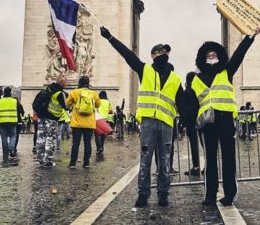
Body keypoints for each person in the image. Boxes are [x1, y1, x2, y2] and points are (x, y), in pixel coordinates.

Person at [100, 27, 180, 208]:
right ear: (153, 55)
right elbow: (128, 55)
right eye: (160, 51)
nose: (164, 54)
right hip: (149, 123)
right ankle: (143, 194)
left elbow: (183, 101)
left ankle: (163, 194)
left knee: (165, 161)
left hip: (167, 123)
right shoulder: (144, 70)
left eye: (166, 51)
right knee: (146, 159)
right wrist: (111, 38)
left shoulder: (175, 78)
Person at [184, 27, 260, 207]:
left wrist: (250, 37)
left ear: (219, 55)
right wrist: (191, 123)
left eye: (214, 54)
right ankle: (210, 195)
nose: (211, 56)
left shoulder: (227, 71)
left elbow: (239, 54)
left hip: (225, 120)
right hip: (207, 123)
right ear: (203, 58)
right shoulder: (195, 79)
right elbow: (193, 104)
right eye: (208, 55)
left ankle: (229, 194)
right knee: (210, 161)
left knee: (228, 159)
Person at [65, 75, 101, 170]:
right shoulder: (94, 94)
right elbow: (98, 105)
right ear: (88, 83)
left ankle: (73, 163)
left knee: (75, 144)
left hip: (77, 123)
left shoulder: (74, 92)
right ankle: (86, 163)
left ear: (79, 83)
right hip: (89, 123)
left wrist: (74, 103)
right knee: (87, 143)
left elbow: (67, 104)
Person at [32, 76, 68, 167]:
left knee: (41, 139)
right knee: (50, 139)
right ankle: (48, 161)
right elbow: (67, 106)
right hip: (52, 119)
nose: (67, 84)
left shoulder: (47, 89)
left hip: (42, 117)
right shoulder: (60, 93)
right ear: (62, 82)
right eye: (66, 82)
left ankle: (40, 159)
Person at [0, 87, 23, 161]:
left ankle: (5, 153)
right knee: (13, 136)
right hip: (13, 121)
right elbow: (19, 110)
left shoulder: (0, 101)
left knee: (4, 138)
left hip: (2, 121)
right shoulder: (14, 101)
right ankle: (11, 147)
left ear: (4, 93)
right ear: (10, 93)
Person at [96, 90, 114, 155]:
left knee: (97, 134)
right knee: (103, 135)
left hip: (98, 119)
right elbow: (111, 112)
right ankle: (102, 146)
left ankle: (99, 147)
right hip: (105, 120)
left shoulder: (98, 101)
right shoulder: (108, 102)